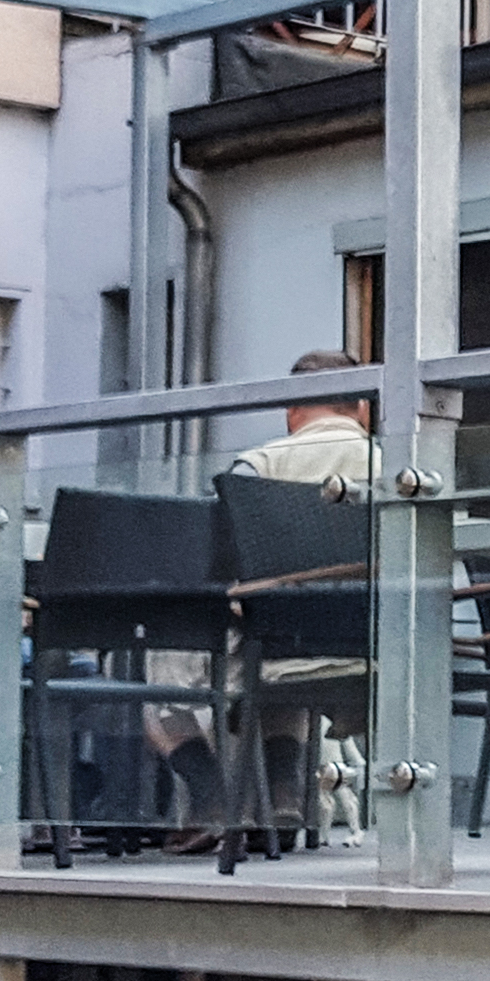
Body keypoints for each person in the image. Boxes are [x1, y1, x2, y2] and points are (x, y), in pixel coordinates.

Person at [145, 353, 374, 848]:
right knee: (276, 658)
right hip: (379, 647)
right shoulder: (405, 468)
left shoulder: (260, 466)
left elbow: (220, 564)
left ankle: (213, 799)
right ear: (362, 408)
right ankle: (285, 793)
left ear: (290, 410)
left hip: (281, 638)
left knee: (169, 668)